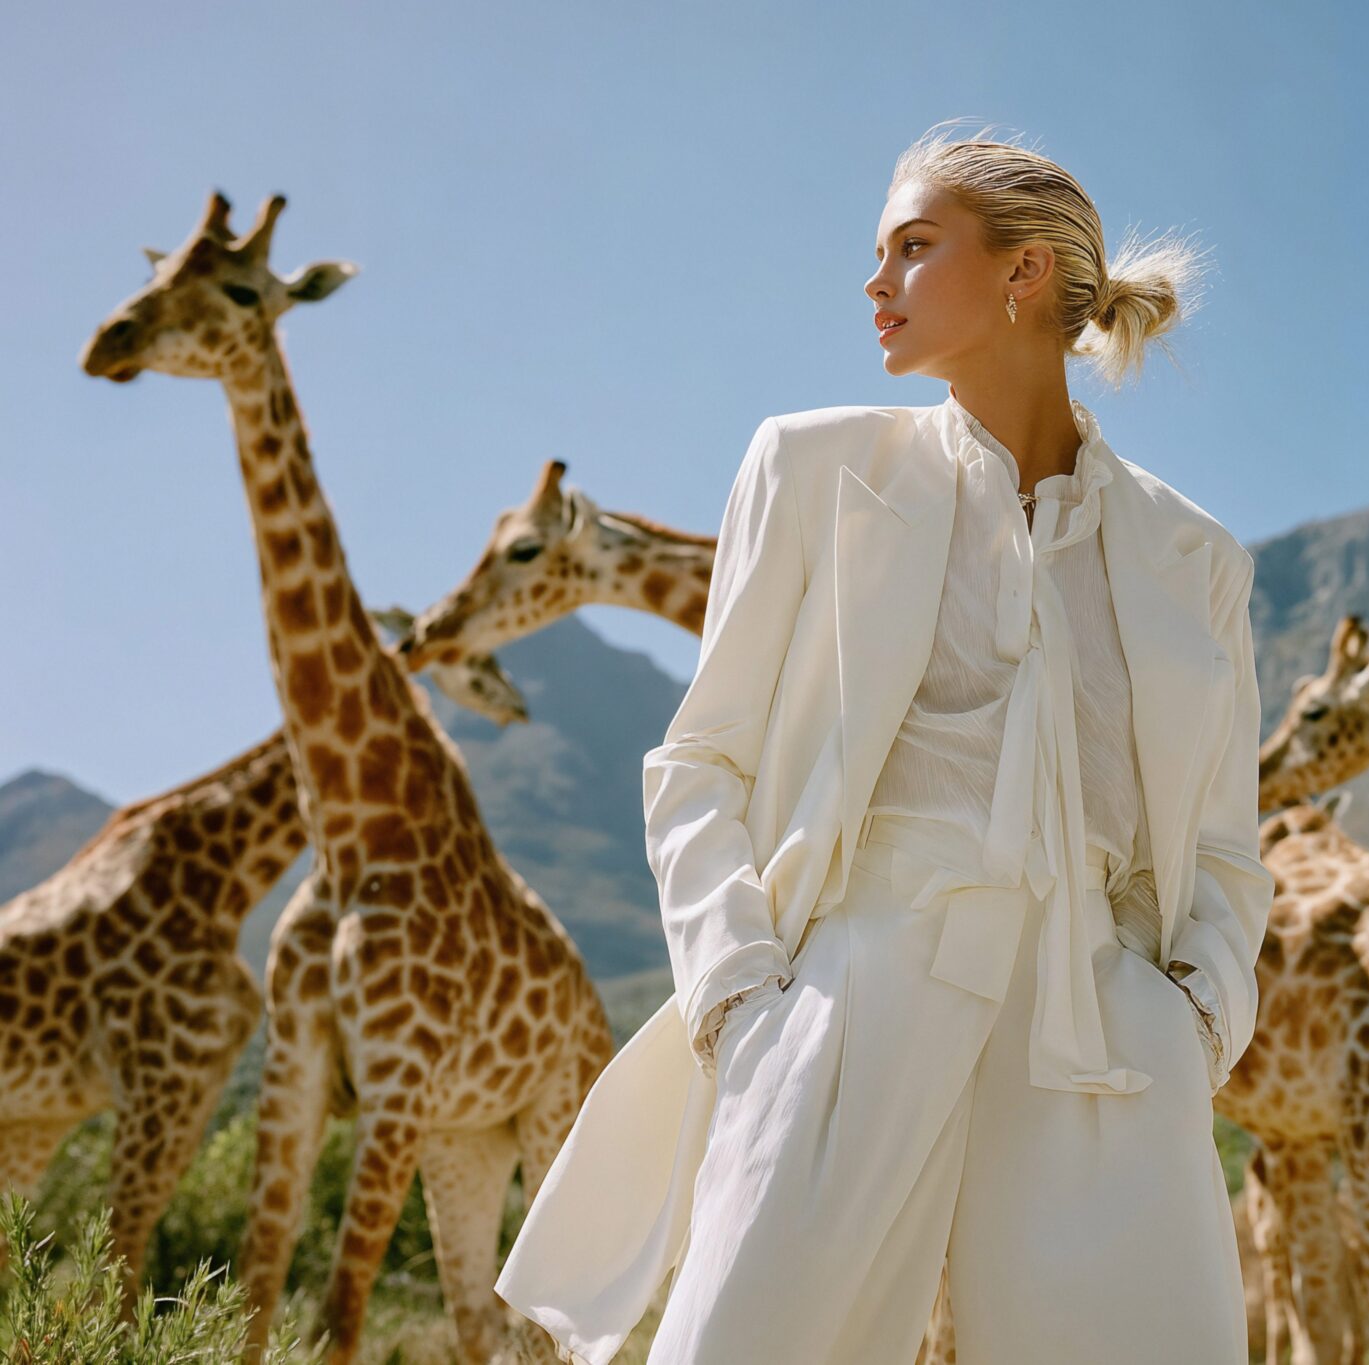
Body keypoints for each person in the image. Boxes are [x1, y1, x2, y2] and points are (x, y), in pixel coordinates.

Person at [495, 124, 1274, 1365]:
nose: (874, 283)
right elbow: (702, 761)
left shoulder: (1196, 561)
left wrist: (1189, 1024)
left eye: (913, 248)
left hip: (1106, 1042)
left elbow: (1227, 850)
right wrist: (743, 1000)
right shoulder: (810, 469)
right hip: (845, 1004)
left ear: (1021, 276)